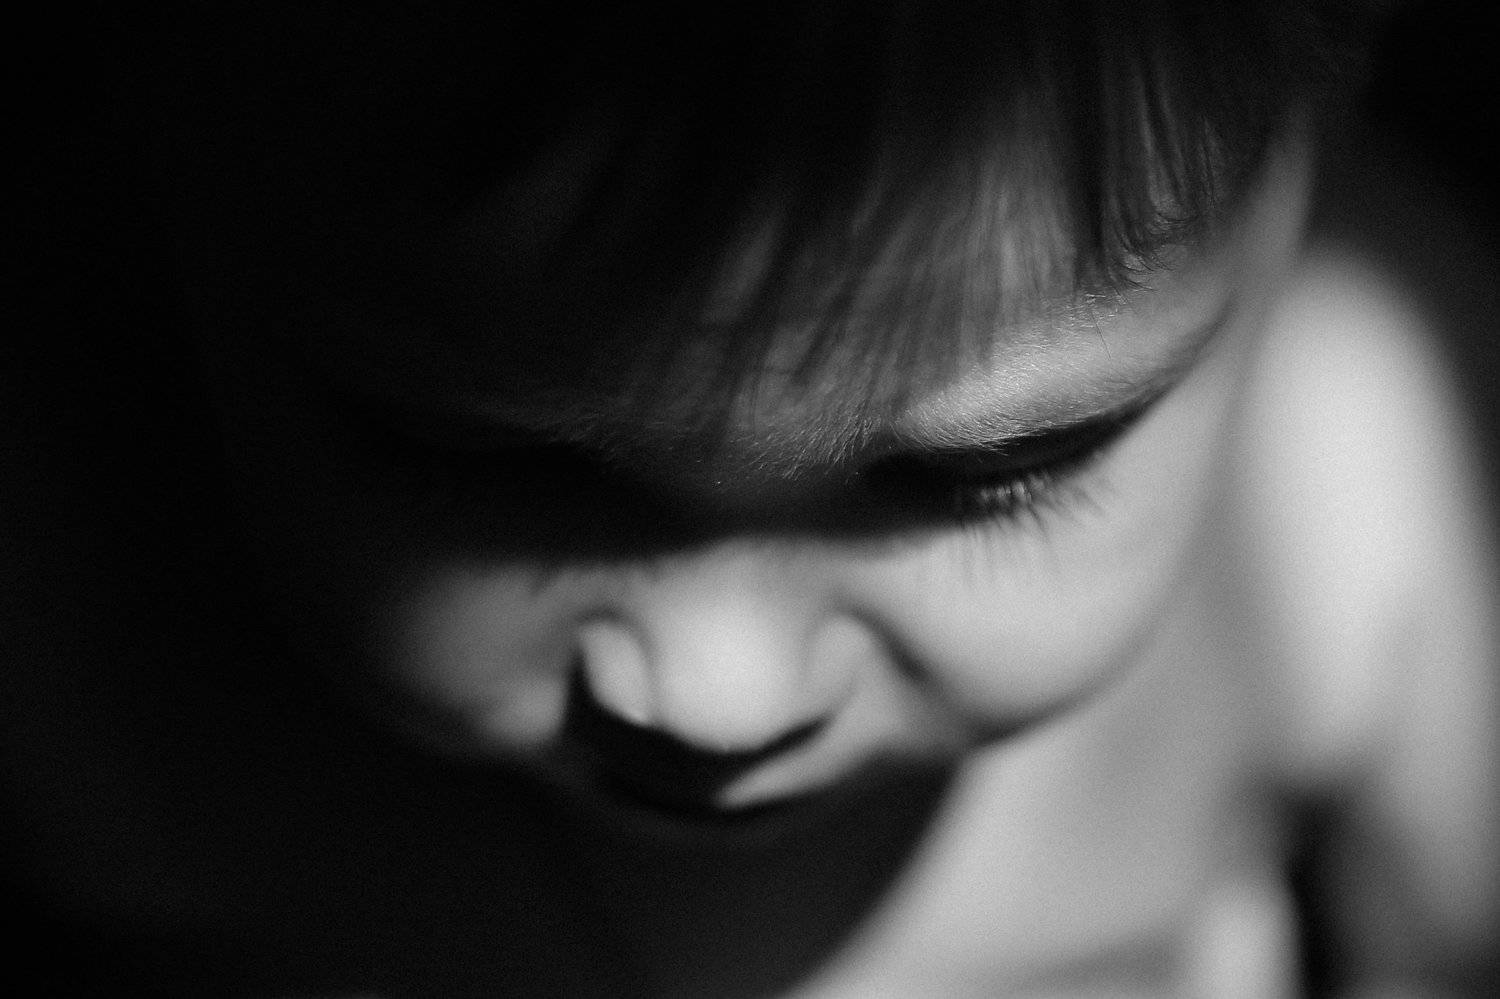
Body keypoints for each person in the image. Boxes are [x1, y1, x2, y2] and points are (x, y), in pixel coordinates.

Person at [5, 2, 1496, 996]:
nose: (720, 696)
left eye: (991, 469)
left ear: (1303, 172)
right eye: (489, 463)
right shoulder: (81, 630)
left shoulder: (1341, 498)